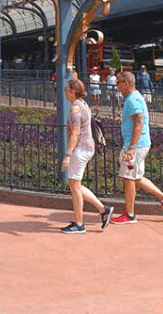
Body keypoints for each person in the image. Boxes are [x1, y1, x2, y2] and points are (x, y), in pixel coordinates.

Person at [111, 70, 163, 224]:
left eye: (118, 83)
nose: (116, 86)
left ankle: (130, 214)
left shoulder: (133, 100)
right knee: (136, 178)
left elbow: (138, 123)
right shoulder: (134, 98)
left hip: (136, 145)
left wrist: (131, 148)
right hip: (139, 144)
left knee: (128, 177)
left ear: (126, 83)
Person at [60, 78, 113, 234]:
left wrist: (67, 154)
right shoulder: (84, 104)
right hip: (88, 147)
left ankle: (79, 223)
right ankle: (104, 209)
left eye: (65, 90)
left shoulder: (76, 108)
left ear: (71, 92)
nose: (64, 93)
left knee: (74, 187)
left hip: (80, 149)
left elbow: (75, 133)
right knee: (75, 184)